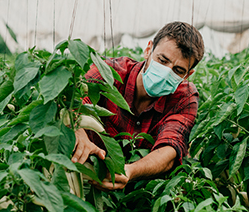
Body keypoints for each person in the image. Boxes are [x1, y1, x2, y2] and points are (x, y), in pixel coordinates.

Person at [72, 21, 205, 191]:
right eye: (162, 60)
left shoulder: (184, 98)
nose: (166, 72)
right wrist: (78, 130)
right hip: (87, 175)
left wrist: (131, 171)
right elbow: (73, 102)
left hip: (139, 191)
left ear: (188, 74)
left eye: (178, 70)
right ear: (148, 50)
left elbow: (170, 148)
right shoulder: (109, 73)